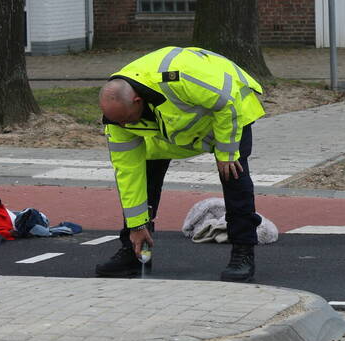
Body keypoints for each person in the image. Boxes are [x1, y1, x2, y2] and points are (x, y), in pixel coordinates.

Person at [95, 46, 266, 282]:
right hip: (172, 129)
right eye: (118, 122)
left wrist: (226, 152)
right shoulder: (118, 119)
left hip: (228, 116)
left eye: (126, 120)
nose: (123, 126)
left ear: (137, 100)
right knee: (145, 175)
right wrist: (136, 226)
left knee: (234, 176)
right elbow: (128, 173)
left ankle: (243, 252)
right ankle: (135, 252)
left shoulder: (180, 76)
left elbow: (226, 101)